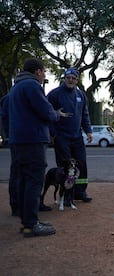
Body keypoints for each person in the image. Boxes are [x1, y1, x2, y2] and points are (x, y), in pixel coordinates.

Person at [5, 58, 70, 237]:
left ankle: (27, 222)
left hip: (18, 141)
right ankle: (31, 224)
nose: (45, 75)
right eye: (44, 71)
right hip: (33, 140)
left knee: (24, 181)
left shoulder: (16, 87)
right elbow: (46, 111)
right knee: (34, 181)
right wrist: (56, 114)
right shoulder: (32, 86)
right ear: (38, 72)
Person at [47, 67, 93, 204]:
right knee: (65, 167)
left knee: (81, 164)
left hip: (77, 136)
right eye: (68, 78)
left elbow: (85, 115)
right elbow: (48, 115)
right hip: (61, 136)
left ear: (77, 80)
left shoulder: (81, 95)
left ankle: (80, 192)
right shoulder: (54, 95)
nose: (70, 80)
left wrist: (88, 131)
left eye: (73, 78)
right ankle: (66, 195)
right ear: (64, 78)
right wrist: (53, 133)